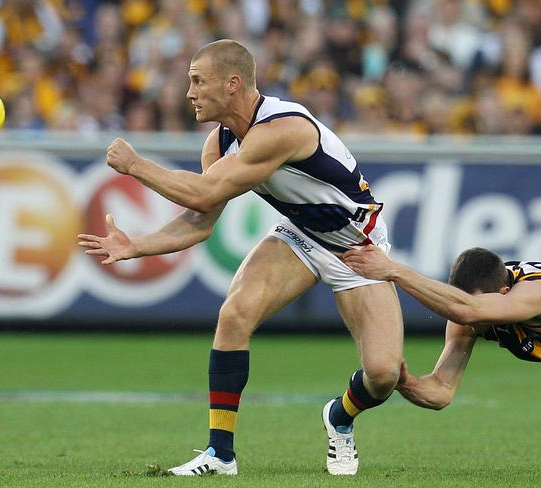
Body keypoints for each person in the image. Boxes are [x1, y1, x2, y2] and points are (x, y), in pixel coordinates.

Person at [77, 39, 404, 476]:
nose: (188, 92)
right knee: (235, 314)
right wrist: (137, 245)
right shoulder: (219, 141)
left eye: (198, 81)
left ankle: (339, 417)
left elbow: (206, 190)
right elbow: (200, 220)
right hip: (301, 236)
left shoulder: (282, 128)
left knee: (382, 375)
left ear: (232, 84)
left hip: (358, 249)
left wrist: (136, 165)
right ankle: (219, 454)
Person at [342, 246, 541, 410]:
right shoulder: (469, 314)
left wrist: (395, 271)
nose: (469, 324)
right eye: (458, 298)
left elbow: (467, 309)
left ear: (504, 293)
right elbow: (441, 391)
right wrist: (404, 382)